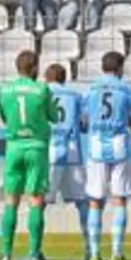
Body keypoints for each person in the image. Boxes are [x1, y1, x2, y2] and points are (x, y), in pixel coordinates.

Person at [0, 50, 58, 260]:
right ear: (34, 68)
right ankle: (33, 252)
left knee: (11, 200)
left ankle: (5, 253)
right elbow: (54, 116)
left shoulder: (4, 89)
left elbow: (4, 116)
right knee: (35, 199)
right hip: (36, 147)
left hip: (14, 146)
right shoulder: (41, 89)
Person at [83, 51, 131, 260]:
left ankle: (95, 254)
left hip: (97, 143)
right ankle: (117, 252)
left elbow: (85, 117)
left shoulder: (91, 88)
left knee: (95, 201)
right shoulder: (127, 87)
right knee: (119, 199)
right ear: (120, 68)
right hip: (119, 143)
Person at [44, 63, 89, 236]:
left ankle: (35, 250)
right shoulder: (76, 97)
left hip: (49, 149)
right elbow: (84, 125)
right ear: (64, 78)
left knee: (40, 202)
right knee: (82, 201)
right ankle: (90, 250)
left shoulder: (41, 94)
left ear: (46, 78)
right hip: (72, 151)